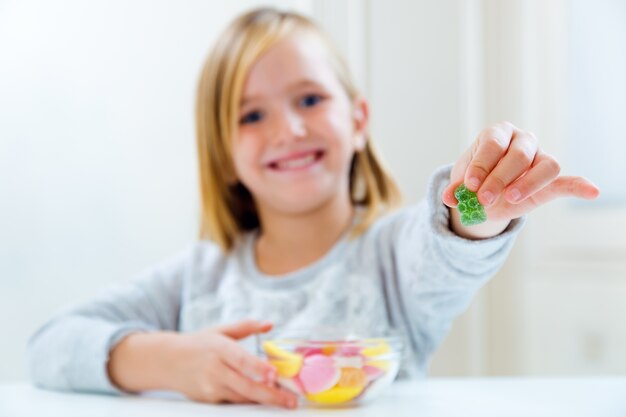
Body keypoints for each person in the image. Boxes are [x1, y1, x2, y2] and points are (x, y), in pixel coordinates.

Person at [27, 7, 599, 410]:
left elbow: (453, 242)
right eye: (251, 116)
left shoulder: (390, 259)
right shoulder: (198, 276)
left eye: (309, 98)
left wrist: (480, 199)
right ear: (223, 156)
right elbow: (51, 345)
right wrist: (169, 361)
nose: (290, 129)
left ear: (357, 121)